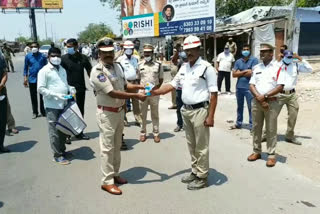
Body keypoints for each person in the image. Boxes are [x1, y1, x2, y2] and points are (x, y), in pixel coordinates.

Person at [151, 35, 218, 190]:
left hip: (200, 111)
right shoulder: (184, 67)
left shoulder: (207, 68)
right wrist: (154, 92)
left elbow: (214, 94)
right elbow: (172, 85)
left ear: (198, 49)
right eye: (187, 50)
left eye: (193, 49)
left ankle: (202, 176)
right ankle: (195, 171)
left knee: (201, 146)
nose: (189, 53)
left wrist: (211, 116)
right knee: (191, 144)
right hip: (186, 111)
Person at [90, 37, 146, 195]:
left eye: (110, 52)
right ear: (99, 53)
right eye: (104, 53)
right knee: (107, 148)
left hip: (119, 111)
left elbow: (125, 85)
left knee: (117, 146)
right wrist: (135, 96)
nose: (108, 55)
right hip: (107, 113)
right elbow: (112, 92)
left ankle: (115, 174)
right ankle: (107, 181)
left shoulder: (117, 66)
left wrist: (140, 86)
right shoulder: (98, 71)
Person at [247, 43, 285, 167]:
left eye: (265, 51)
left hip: (272, 102)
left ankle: (271, 155)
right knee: (256, 128)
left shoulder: (279, 67)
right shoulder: (257, 67)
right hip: (257, 101)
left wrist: (265, 96)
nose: (262, 53)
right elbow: (251, 85)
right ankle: (256, 151)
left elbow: (280, 86)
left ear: (271, 53)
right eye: (261, 51)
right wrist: (259, 97)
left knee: (271, 129)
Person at [38, 47, 76, 165]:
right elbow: (40, 88)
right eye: (53, 56)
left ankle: (62, 150)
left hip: (64, 103)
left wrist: (70, 89)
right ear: (48, 57)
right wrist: (55, 95)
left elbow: (64, 84)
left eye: (58, 56)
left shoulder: (62, 70)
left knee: (63, 129)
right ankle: (57, 155)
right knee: (54, 131)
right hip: (52, 105)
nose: (56, 58)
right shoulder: (44, 71)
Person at [275, 50, 313, 145]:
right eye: (287, 57)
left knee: (293, 116)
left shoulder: (296, 66)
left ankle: (289, 136)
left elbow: (310, 69)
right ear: (283, 56)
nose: (289, 59)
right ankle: (266, 135)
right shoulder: (278, 65)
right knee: (272, 115)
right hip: (279, 94)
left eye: (290, 57)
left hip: (292, 95)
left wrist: (300, 59)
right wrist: (278, 59)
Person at [61, 38, 92, 141]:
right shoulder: (63, 59)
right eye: (67, 46)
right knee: (68, 111)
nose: (68, 48)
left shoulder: (83, 58)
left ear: (76, 47)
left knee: (80, 111)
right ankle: (67, 134)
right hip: (67, 89)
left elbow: (89, 70)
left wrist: (94, 83)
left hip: (80, 89)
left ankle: (79, 132)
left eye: (70, 47)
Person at [138, 44, 164, 143]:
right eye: (145, 53)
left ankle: (156, 133)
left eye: (149, 52)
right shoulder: (140, 65)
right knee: (142, 114)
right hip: (143, 93)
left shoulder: (158, 65)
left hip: (154, 93)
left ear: (152, 53)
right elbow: (138, 79)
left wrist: (155, 89)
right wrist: (142, 90)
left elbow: (161, 79)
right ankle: (143, 132)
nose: (147, 54)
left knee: (155, 114)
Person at [229, 44, 259, 131]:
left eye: (247, 49)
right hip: (239, 87)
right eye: (244, 49)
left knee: (251, 107)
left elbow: (252, 73)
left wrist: (240, 72)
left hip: (250, 88)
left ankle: (252, 125)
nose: (245, 51)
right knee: (239, 106)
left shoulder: (254, 60)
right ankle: (238, 123)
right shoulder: (238, 61)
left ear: (250, 50)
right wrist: (246, 71)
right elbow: (234, 74)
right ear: (241, 51)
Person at [117, 40, 142, 127]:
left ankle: (138, 118)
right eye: (127, 49)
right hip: (125, 83)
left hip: (134, 83)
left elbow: (138, 70)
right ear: (124, 49)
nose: (129, 50)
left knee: (136, 102)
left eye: (131, 49)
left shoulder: (136, 58)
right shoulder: (120, 59)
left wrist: (139, 81)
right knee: (123, 102)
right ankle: (124, 119)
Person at [23, 42, 47, 119]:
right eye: (32, 46)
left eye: (35, 46)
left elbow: (46, 68)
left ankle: (43, 111)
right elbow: (25, 68)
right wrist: (25, 78)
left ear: (38, 47)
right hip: (32, 79)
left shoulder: (42, 56)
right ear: (30, 47)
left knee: (42, 96)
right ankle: (35, 112)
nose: (34, 48)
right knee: (33, 97)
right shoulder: (28, 56)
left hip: (42, 79)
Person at [173, 51, 188, 132]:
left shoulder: (190, 65)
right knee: (179, 108)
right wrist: (176, 52)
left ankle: (187, 125)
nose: (183, 60)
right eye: (182, 59)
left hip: (187, 89)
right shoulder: (180, 65)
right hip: (179, 89)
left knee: (187, 108)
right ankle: (180, 124)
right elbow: (174, 60)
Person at [0, 48, 9, 153]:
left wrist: (1, 85)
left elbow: (5, 75)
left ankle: (0, 145)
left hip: (1, 93)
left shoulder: (1, 59)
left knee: (1, 121)